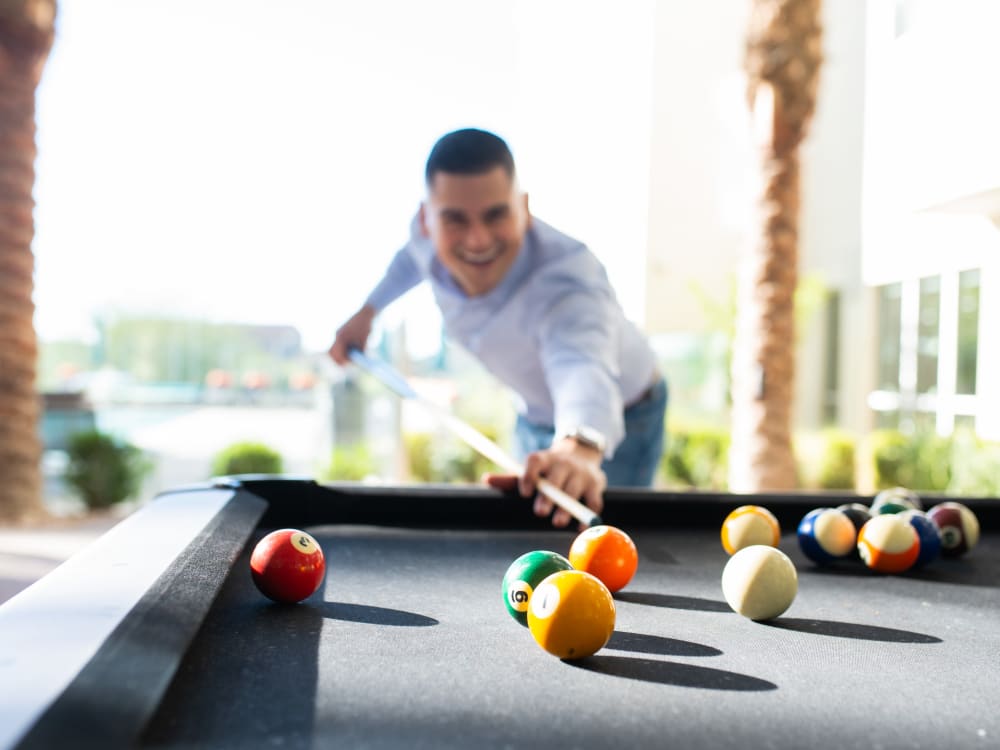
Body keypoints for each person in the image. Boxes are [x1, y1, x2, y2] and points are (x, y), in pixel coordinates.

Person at [329, 128, 667, 527]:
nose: (477, 240)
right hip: (531, 411)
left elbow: (581, 364)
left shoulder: (567, 280)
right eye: (455, 219)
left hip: (621, 415)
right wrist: (367, 312)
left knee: (591, 545)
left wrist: (579, 447)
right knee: (529, 530)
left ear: (523, 207)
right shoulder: (424, 241)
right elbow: (408, 262)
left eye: (496, 215)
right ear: (426, 220)